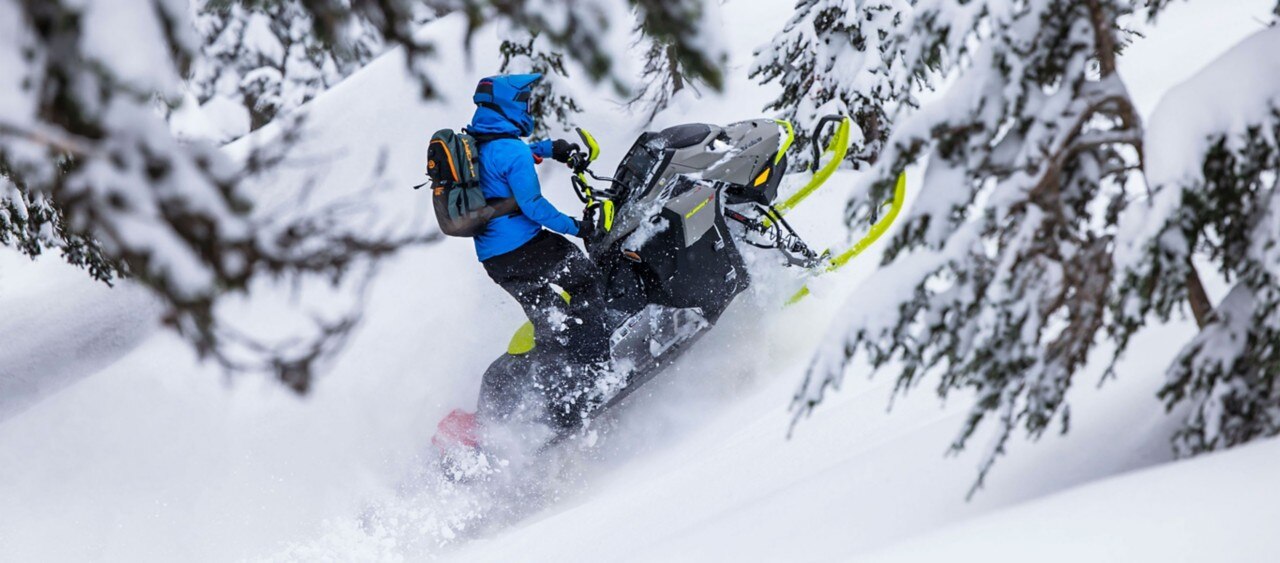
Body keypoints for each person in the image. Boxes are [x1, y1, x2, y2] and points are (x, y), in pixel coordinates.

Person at [466, 73, 610, 366]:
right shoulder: (511, 151)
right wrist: (577, 227)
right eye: (525, 103)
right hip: (529, 249)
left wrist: (549, 148)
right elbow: (534, 207)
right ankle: (595, 372)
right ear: (510, 104)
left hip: (495, 261)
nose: (528, 109)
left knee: (550, 320)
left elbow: (505, 160)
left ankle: (558, 387)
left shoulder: (476, 146)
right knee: (585, 283)